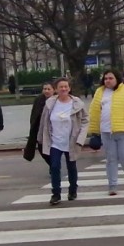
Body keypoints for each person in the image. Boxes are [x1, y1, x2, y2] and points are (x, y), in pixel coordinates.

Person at [88, 70, 124, 195]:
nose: (107, 80)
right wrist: (93, 129)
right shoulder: (100, 91)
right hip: (106, 131)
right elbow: (94, 110)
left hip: (122, 130)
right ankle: (112, 185)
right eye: (106, 78)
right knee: (111, 159)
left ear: (117, 79)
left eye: (110, 78)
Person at [38, 77, 89, 205]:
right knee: (54, 166)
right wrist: (40, 139)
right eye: (61, 87)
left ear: (69, 88)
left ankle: (72, 190)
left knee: (71, 166)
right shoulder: (50, 103)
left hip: (71, 141)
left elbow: (85, 121)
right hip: (55, 141)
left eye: (66, 86)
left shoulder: (77, 104)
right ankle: (56, 193)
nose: (63, 89)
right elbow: (44, 122)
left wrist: (81, 138)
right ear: (56, 89)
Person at [23, 82, 55, 164]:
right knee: (41, 149)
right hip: (40, 129)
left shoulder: (56, 100)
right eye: (45, 89)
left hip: (53, 130)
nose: (46, 91)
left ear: (54, 90)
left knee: (53, 150)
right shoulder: (39, 100)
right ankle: (52, 165)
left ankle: (55, 166)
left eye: (49, 89)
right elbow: (34, 114)